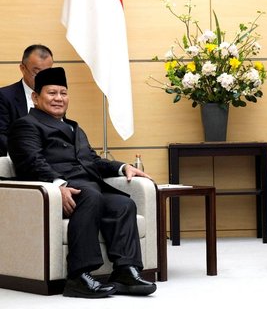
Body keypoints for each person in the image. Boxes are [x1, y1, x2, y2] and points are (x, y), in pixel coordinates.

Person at [7, 67, 157, 298]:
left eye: (63, 93)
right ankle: (78, 276)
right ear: (36, 97)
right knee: (91, 195)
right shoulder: (26, 125)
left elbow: (92, 161)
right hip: (57, 194)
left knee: (122, 204)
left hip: (88, 189)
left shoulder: (75, 127)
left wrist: (122, 167)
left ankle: (125, 271)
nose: (59, 98)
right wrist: (58, 186)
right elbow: (30, 161)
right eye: (52, 93)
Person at [0, 44, 54, 156]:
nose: (42, 79)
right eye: (36, 72)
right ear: (22, 68)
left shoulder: (55, 97)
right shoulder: (4, 96)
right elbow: (1, 137)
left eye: (47, 73)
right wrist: (29, 154)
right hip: (20, 160)